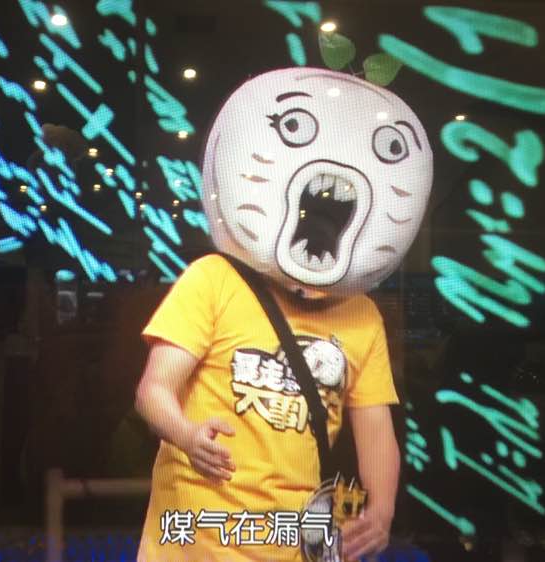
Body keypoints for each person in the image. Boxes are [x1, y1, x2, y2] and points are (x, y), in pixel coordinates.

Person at [135, 67, 433, 562]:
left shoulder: (362, 315)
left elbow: (376, 428)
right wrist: (186, 435)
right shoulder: (213, 279)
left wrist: (381, 509)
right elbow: (153, 390)